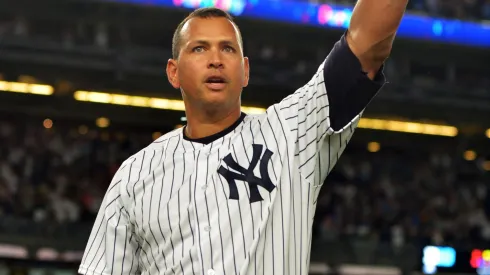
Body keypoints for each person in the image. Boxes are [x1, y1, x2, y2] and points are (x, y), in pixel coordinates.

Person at [78, 1, 407, 275]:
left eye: (227, 48)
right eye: (199, 48)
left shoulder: (290, 134)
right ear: (173, 72)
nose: (216, 59)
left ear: (245, 70)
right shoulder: (134, 175)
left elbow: (367, 46)